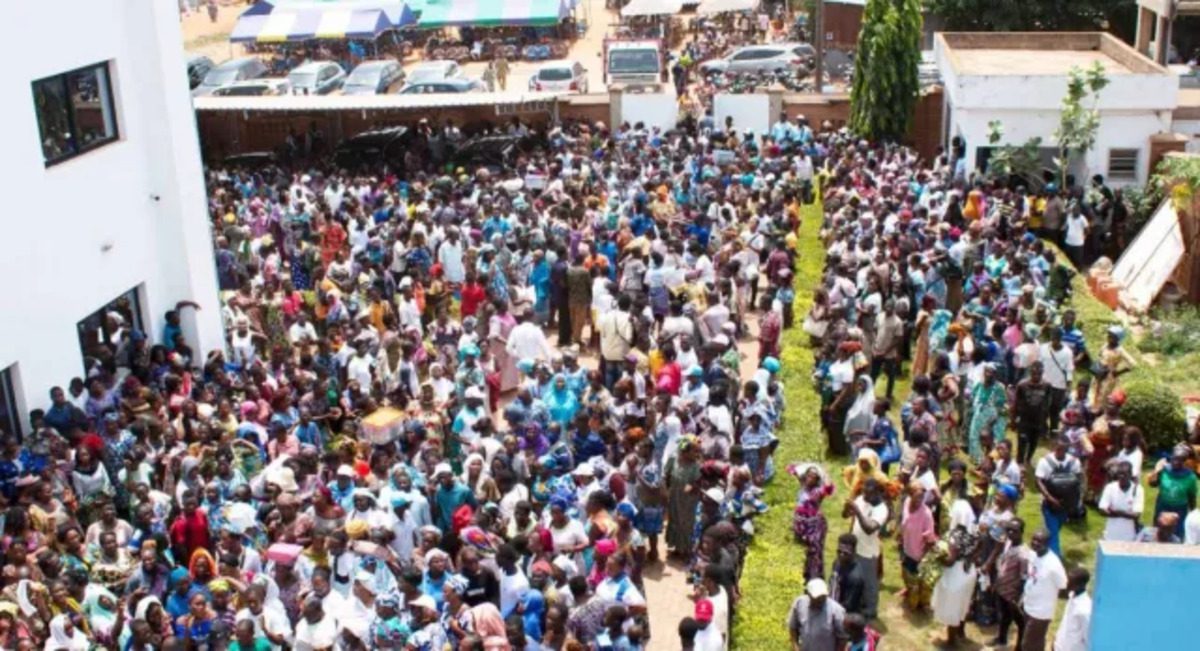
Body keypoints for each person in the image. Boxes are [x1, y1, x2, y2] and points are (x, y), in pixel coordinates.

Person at [842, 479, 887, 620]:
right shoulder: (861, 499)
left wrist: (857, 510)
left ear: (878, 493)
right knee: (854, 577)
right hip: (855, 547)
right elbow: (845, 515)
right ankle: (857, 602)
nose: (865, 496)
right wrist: (847, 508)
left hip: (868, 552)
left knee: (870, 583)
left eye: (869, 494)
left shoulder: (881, 509)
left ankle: (871, 609)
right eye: (864, 492)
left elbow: (869, 529)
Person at [1035, 436, 1082, 557]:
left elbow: (1078, 480)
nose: (1061, 451)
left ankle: (1043, 550)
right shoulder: (1044, 461)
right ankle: (1056, 559)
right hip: (1050, 504)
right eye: (1059, 448)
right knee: (1053, 532)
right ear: (1054, 446)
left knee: (1053, 531)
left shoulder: (1074, 462)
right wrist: (1049, 498)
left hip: (1066, 505)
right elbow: (1039, 481)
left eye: (1065, 449)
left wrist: (1076, 499)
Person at [1022, 529, 1067, 651]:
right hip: (1028, 606)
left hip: (1041, 612)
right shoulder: (1034, 555)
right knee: (1035, 642)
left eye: (1039, 541)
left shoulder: (1053, 565)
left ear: (1047, 544)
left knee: (1029, 645)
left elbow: (1063, 585)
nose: (1035, 543)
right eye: (1034, 539)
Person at [785, 579, 847, 651]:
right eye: (817, 597)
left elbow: (843, 639)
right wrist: (795, 646)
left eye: (823, 596)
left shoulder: (837, 611)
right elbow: (793, 627)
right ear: (809, 594)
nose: (820, 600)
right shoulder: (799, 603)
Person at [1097, 460, 1143, 542]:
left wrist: (1116, 512)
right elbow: (1102, 511)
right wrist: (1127, 513)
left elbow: (1136, 515)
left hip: (1129, 537)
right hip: (1110, 535)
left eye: (1124, 474)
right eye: (1120, 474)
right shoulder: (1110, 487)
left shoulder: (1138, 489)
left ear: (1130, 474)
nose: (1121, 477)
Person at [1053, 567, 1091, 651]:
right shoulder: (1072, 596)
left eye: (1070, 582)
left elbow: (1088, 637)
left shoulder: (1084, 609)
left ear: (1079, 585)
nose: (1066, 583)